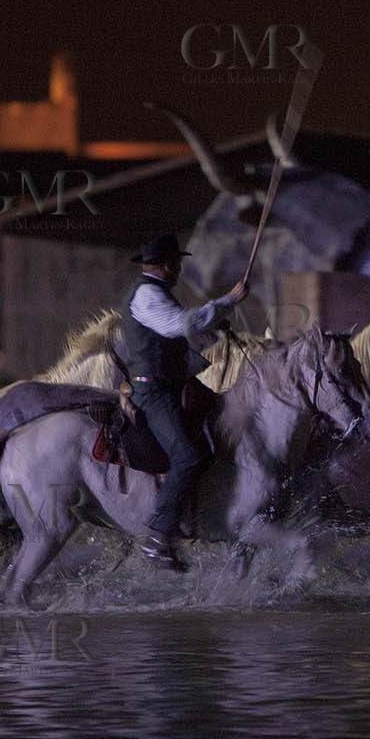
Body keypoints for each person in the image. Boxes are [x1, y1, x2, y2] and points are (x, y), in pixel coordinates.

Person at [124, 234, 248, 569]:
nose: (179, 269)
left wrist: (216, 323)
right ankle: (157, 537)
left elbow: (183, 333)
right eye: (177, 263)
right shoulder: (148, 294)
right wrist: (229, 301)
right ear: (167, 265)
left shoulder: (157, 291)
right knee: (187, 456)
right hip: (154, 392)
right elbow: (182, 325)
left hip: (172, 384)